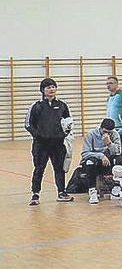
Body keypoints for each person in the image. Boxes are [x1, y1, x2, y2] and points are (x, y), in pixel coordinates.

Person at [26, 77, 73, 205]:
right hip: (41, 145)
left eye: (53, 87)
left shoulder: (62, 105)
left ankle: (61, 192)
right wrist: (39, 136)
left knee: (59, 169)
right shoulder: (36, 106)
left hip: (58, 144)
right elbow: (28, 124)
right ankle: (35, 194)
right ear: (42, 90)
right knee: (39, 169)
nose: (51, 89)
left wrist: (64, 134)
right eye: (48, 87)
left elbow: (68, 122)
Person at [79, 118, 122, 203]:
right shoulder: (91, 134)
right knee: (90, 162)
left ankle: (116, 189)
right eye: (105, 132)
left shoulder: (115, 134)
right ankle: (92, 191)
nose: (107, 134)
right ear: (101, 128)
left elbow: (118, 152)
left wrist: (109, 143)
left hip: (108, 161)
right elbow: (85, 153)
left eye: (109, 132)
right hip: (95, 161)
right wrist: (100, 156)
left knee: (120, 160)